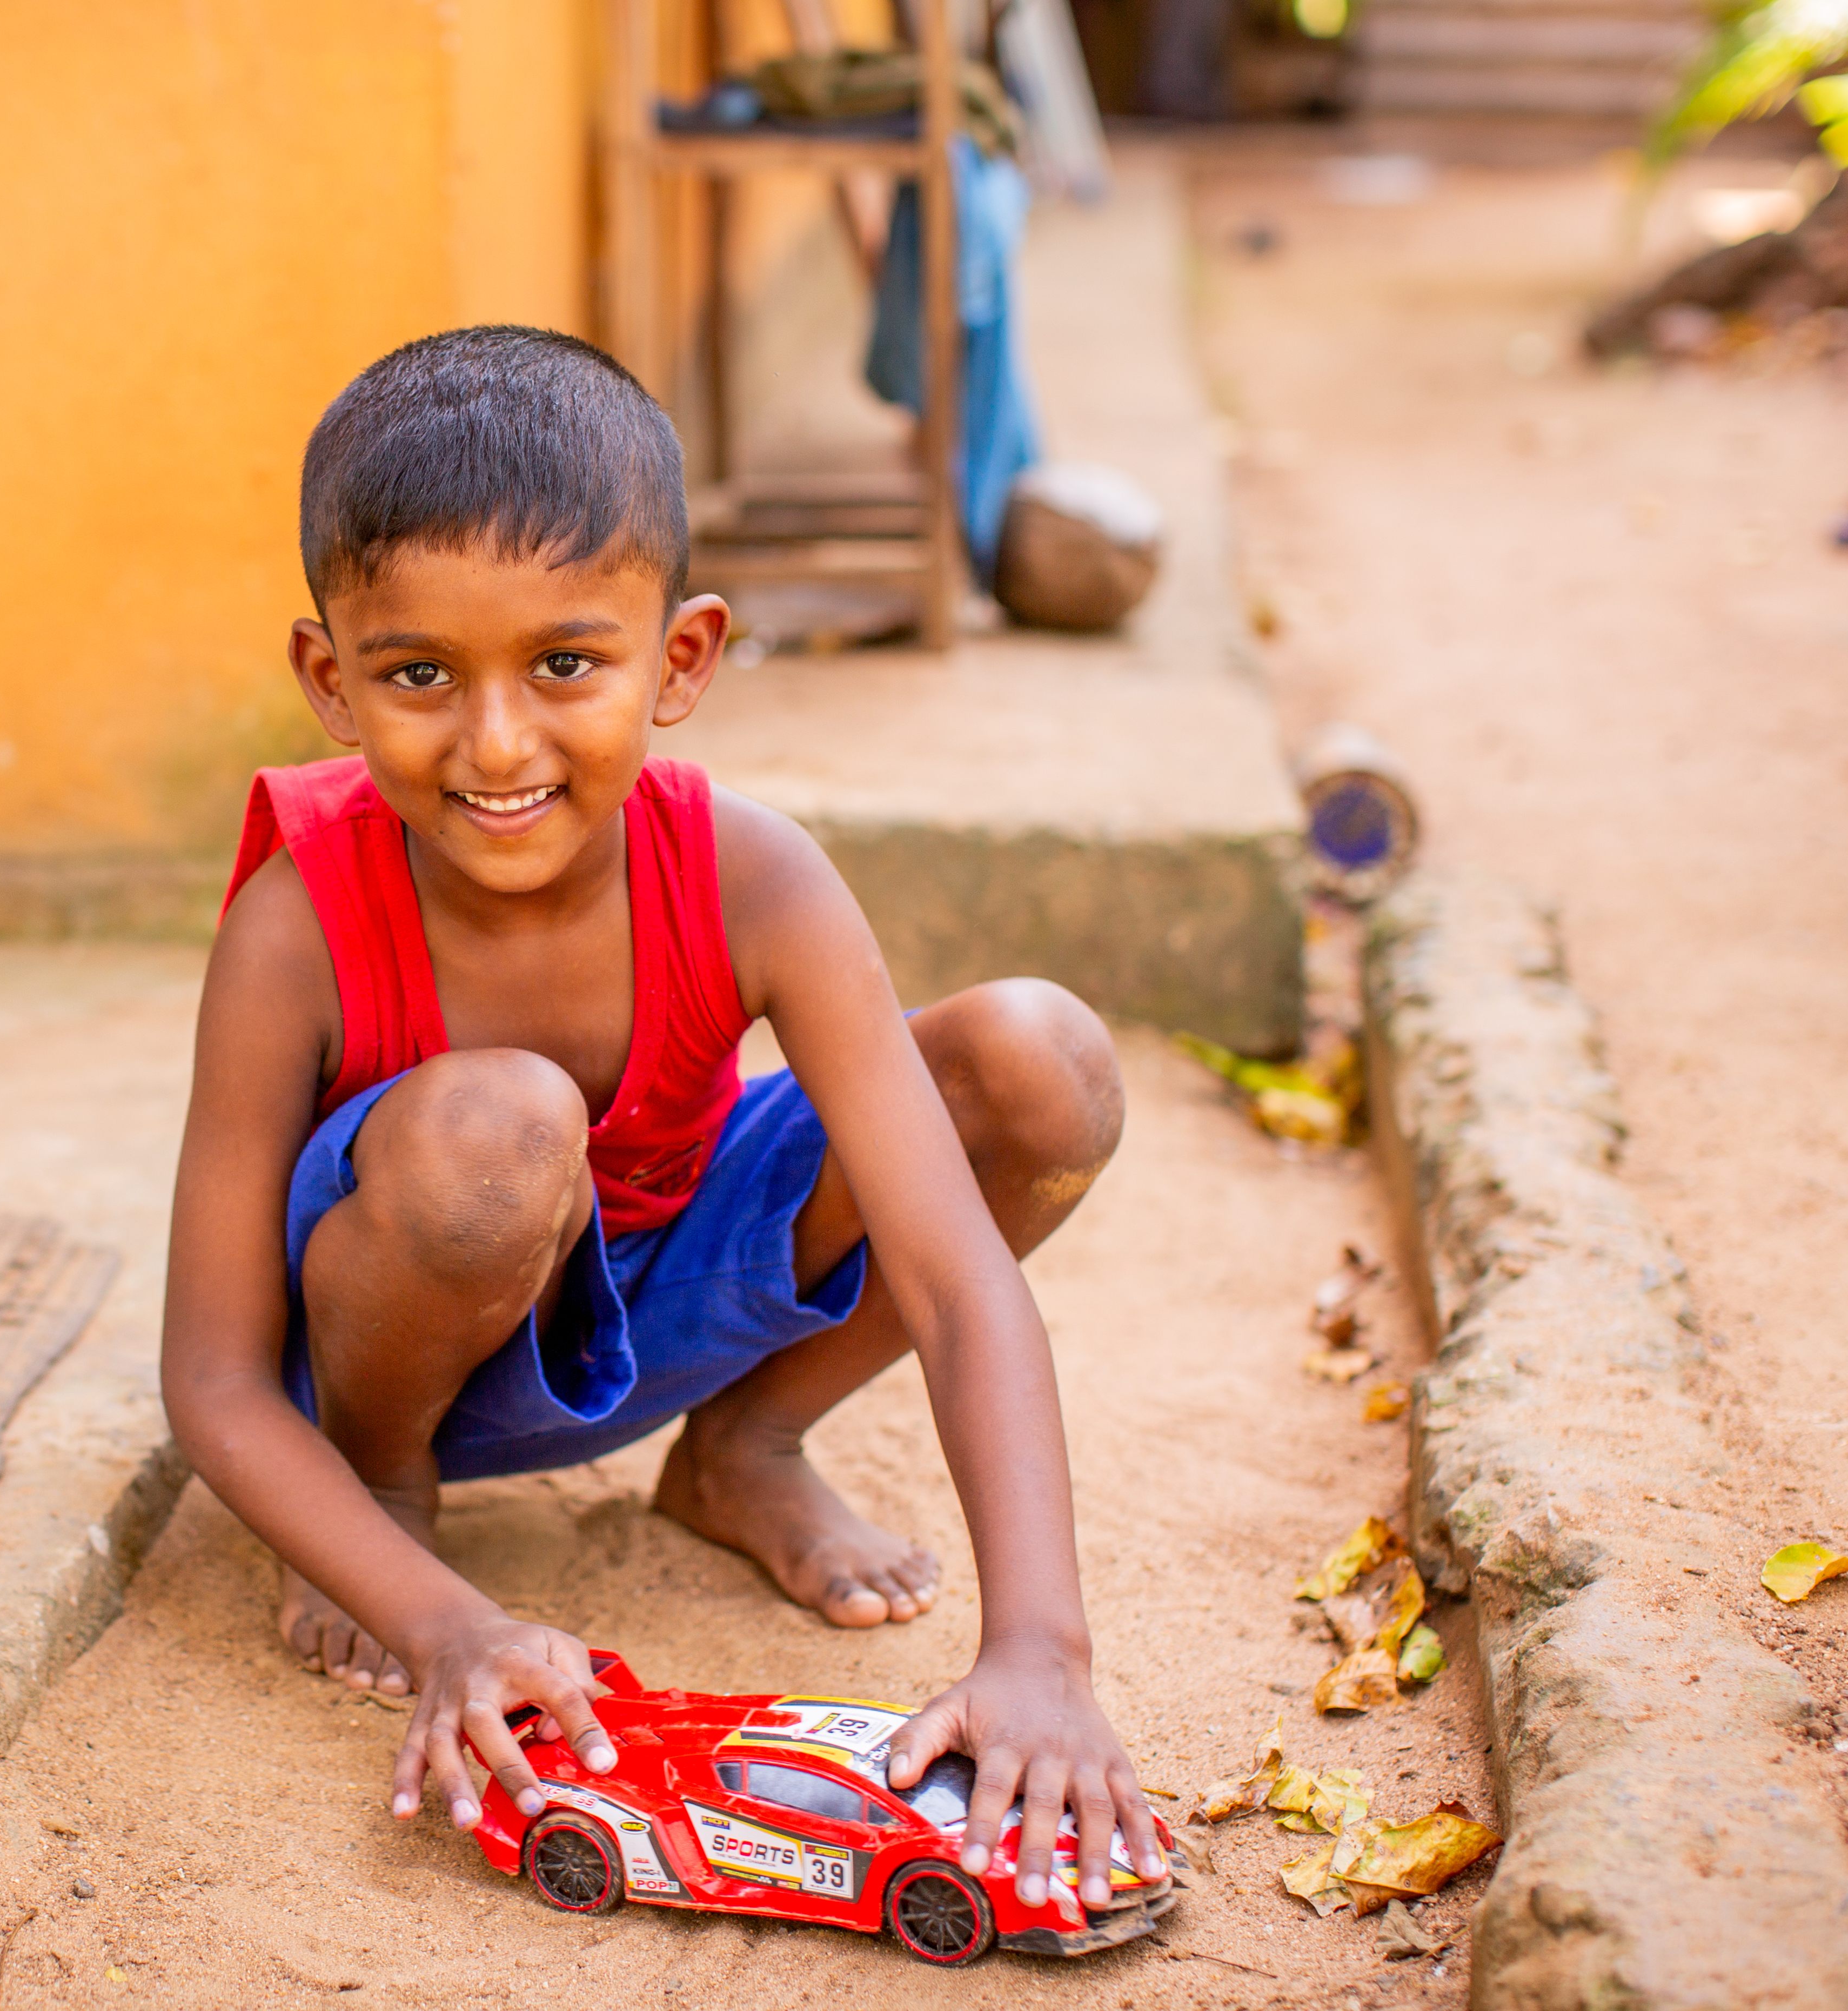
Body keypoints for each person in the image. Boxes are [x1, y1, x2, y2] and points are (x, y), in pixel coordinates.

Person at [160, 325, 1161, 1913]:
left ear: (680, 659)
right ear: (329, 679)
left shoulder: (756, 875)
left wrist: (1040, 1647)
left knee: (1041, 1064)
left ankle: (745, 1446)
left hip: (664, 1282)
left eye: (566, 662)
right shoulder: (296, 924)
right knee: (500, 1126)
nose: (497, 743)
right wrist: (442, 1619)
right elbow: (211, 1376)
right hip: (415, 1325)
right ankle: (381, 1499)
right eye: (420, 673)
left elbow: (962, 1270)